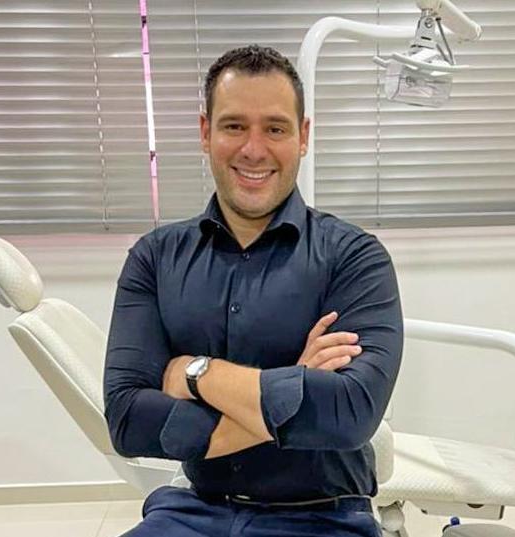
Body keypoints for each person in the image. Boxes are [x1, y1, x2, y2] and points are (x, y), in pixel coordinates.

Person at [104, 44, 403, 537]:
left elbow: (349, 414)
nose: (254, 149)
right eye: (235, 126)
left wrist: (194, 373)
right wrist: (295, 384)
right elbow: (128, 422)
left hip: (324, 516)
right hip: (194, 512)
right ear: (206, 132)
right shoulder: (155, 259)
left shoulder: (354, 257)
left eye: (276, 129)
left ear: (303, 137)